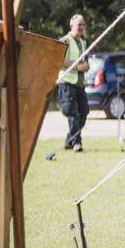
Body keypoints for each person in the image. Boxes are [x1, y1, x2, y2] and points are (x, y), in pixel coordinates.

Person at [57, 14, 90, 152]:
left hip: (80, 83)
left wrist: (87, 66)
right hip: (66, 82)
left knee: (84, 112)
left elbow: (85, 61)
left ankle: (69, 140)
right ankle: (77, 143)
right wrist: (77, 67)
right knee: (73, 114)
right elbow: (58, 60)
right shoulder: (64, 40)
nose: (81, 27)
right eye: (79, 25)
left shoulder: (83, 42)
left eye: (83, 24)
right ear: (72, 26)